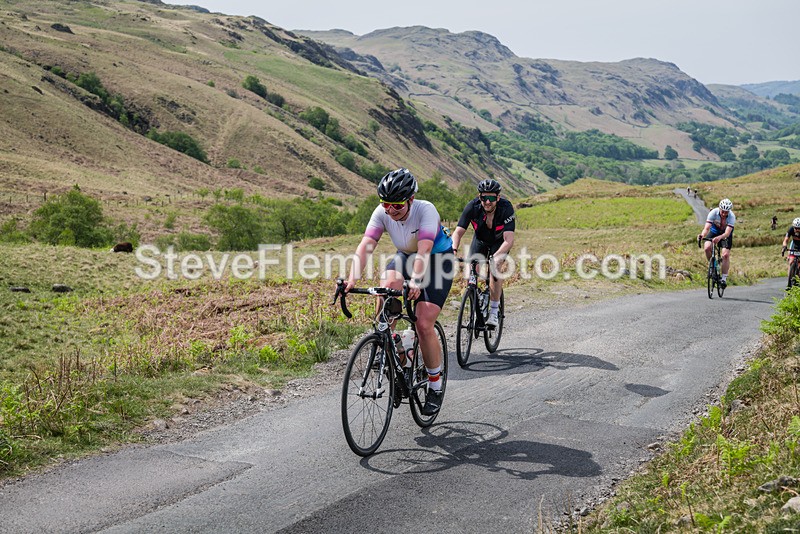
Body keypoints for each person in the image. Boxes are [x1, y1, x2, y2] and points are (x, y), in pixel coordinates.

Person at [345, 168, 454, 416]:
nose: (390, 211)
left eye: (396, 206)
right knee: (386, 288)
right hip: (405, 256)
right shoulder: (381, 212)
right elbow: (366, 245)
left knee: (424, 323)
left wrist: (416, 280)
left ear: (410, 200)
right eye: (386, 204)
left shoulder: (426, 210)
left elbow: (425, 250)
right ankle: (390, 343)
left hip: (438, 260)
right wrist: (352, 278)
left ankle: (435, 385)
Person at [451, 179, 515, 327]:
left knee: (495, 267)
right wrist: (453, 250)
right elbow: (458, 232)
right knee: (470, 270)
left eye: (491, 198)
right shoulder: (472, 207)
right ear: (479, 197)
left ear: (498, 198)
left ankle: (493, 312)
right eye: (483, 198)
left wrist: (496, 257)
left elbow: (509, 239)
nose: (487, 201)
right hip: (480, 240)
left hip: (500, 242)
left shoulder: (506, 208)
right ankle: (475, 301)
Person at [698, 198, 736, 288]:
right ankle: (713, 265)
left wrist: (719, 238)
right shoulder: (713, 213)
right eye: (722, 211)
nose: (724, 214)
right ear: (719, 208)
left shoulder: (732, 217)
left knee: (725, 255)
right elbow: (707, 228)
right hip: (714, 232)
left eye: (726, 212)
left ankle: (723, 279)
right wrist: (702, 235)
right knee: (707, 247)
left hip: (725, 235)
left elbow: (727, 233)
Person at [781, 217, 800, 289]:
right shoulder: (791, 229)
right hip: (794, 245)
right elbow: (786, 239)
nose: (797, 230)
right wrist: (784, 246)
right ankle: (789, 278)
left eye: (799, 228)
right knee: (791, 261)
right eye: (795, 228)